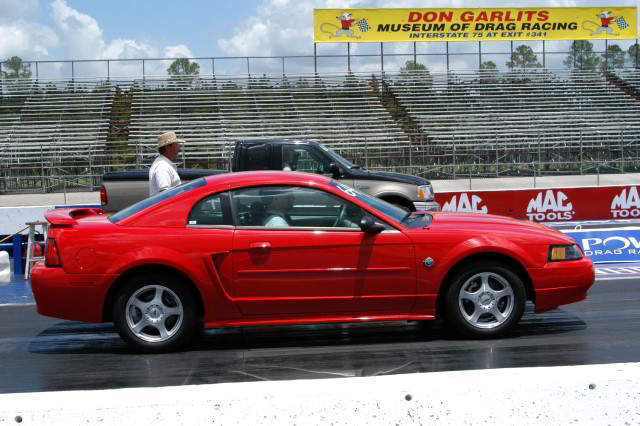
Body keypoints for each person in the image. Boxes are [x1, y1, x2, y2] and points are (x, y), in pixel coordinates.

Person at [149, 131, 183, 196]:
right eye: (176, 144)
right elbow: (164, 194)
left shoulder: (163, 164)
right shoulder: (162, 167)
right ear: (168, 147)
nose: (179, 147)